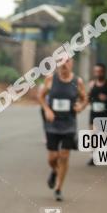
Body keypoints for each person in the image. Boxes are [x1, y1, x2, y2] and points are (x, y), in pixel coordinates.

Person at [38, 56, 87, 202]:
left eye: (67, 61)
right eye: (61, 61)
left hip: (69, 124)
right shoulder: (50, 79)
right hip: (53, 125)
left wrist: (81, 106)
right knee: (52, 158)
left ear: (72, 63)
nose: (63, 64)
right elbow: (40, 96)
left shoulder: (77, 82)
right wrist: (47, 110)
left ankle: (59, 188)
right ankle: (54, 171)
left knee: (64, 156)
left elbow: (85, 98)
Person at [86, 63, 107, 166]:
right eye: (96, 71)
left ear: (104, 72)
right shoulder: (92, 84)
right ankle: (93, 157)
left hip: (106, 113)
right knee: (93, 135)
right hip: (94, 113)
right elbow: (88, 97)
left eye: (99, 71)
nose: (97, 74)